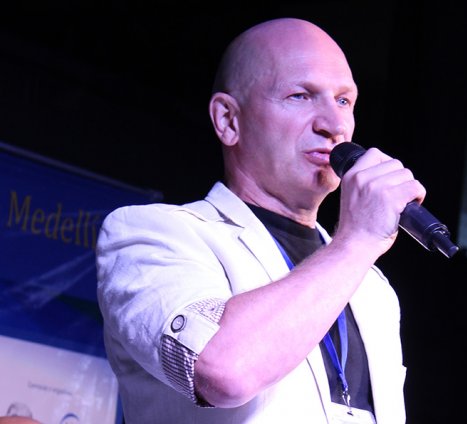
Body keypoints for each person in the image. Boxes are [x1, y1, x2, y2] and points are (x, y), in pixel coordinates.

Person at [96, 17, 425, 424]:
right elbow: (224, 371)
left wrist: (355, 250)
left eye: (344, 101)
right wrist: (356, 242)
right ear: (228, 120)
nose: (335, 125)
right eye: (300, 96)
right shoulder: (154, 234)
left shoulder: (372, 287)